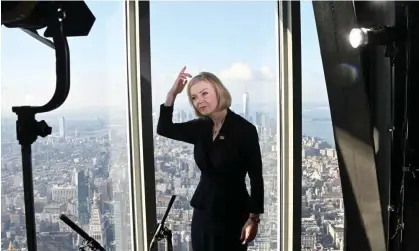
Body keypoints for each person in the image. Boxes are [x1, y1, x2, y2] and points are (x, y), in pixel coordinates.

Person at [157, 66, 264, 251]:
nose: (200, 101)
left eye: (204, 93)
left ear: (219, 91)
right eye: (194, 97)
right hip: (203, 210)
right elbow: (164, 129)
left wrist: (254, 218)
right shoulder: (201, 127)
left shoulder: (244, 130)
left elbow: (256, 176)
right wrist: (172, 93)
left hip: (233, 213)